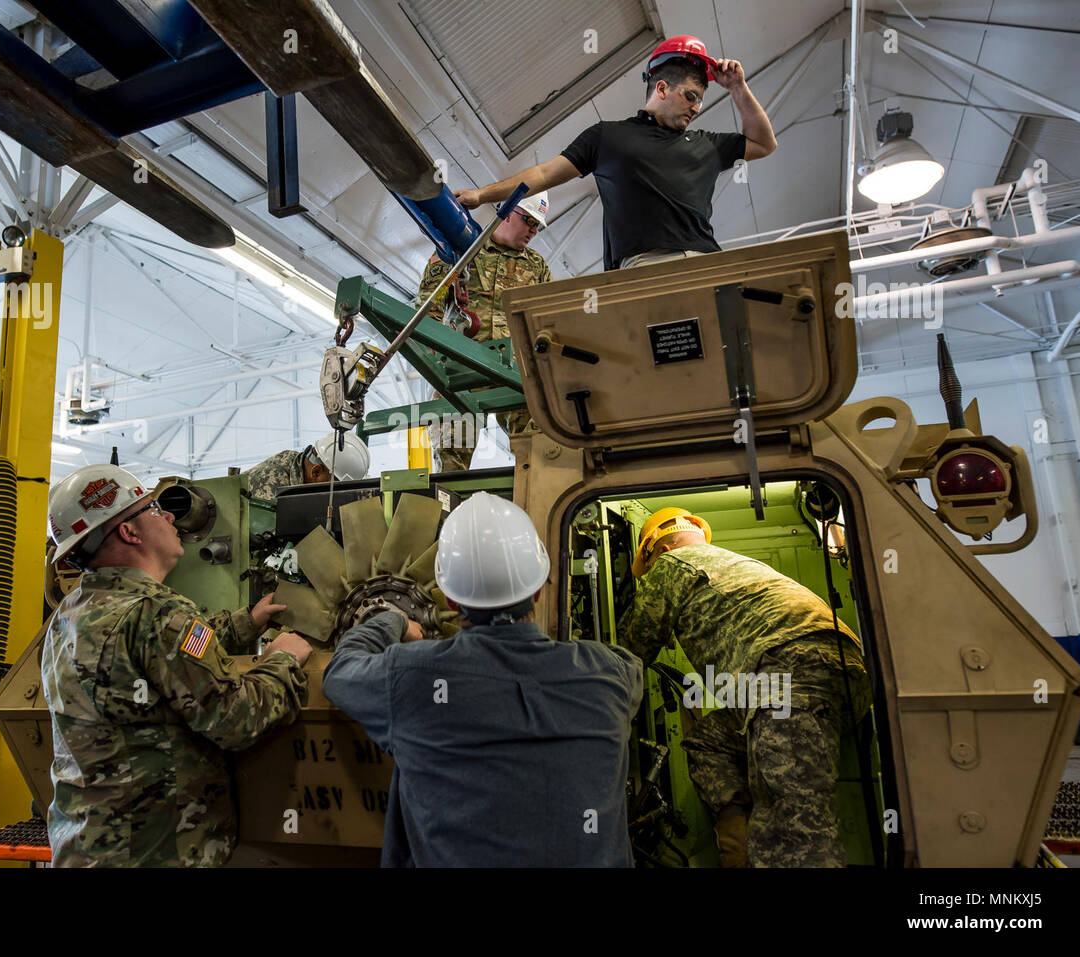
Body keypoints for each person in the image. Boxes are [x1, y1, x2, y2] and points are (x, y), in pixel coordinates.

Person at [323, 492, 643, 866]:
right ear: (538, 590)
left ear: (451, 601)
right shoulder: (611, 675)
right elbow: (630, 667)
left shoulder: (411, 679)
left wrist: (391, 618)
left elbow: (340, 672)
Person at [42, 463, 313, 866]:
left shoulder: (72, 613)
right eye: (153, 509)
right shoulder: (157, 612)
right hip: (160, 852)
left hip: (88, 848)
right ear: (129, 532)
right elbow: (236, 719)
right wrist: (283, 662)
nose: (169, 516)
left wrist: (245, 622)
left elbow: (164, 655)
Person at [616, 507, 872, 868]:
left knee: (791, 828)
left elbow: (631, 648)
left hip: (787, 678)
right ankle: (737, 855)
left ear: (653, 550)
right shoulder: (733, 563)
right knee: (709, 741)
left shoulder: (675, 564)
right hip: (835, 677)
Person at [455, 35, 777, 271]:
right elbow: (543, 175)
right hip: (643, 267)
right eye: (691, 96)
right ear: (662, 88)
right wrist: (481, 195)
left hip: (708, 262)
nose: (696, 108)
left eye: (700, 101)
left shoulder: (707, 144)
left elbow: (764, 143)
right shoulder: (608, 137)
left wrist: (737, 88)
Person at [414, 192, 555, 471]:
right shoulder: (462, 248)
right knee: (451, 458)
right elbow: (428, 306)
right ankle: (453, 509)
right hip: (460, 366)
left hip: (515, 373)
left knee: (542, 448)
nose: (533, 230)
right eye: (529, 221)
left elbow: (549, 321)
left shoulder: (537, 266)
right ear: (508, 211)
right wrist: (435, 358)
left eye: (538, 225)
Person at [244, 430, 370, 502]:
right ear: (316, 472)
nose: (335, 495)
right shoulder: (271, 487)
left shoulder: (299, 465)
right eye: (333, 487)